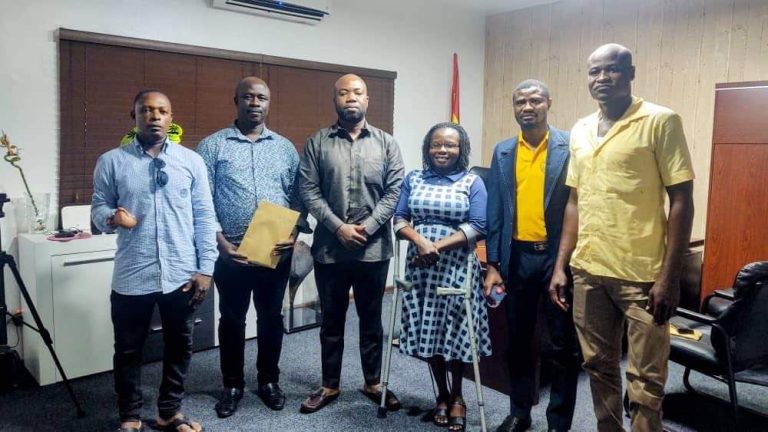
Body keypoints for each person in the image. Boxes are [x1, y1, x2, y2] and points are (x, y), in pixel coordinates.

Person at [549, 44, 694, 432]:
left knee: (646, 380)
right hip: (588, 271)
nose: (601, 78)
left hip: (642, 276)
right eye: (594, 71)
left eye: (611, 70)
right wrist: (562, 265)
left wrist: (669, 277)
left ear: (631, 73)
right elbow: (575, 201)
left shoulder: (660, 121)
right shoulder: (579, 129)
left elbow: (682, 199)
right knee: (598, 367)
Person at [92, 89, 218, 432]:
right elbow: (98, 208)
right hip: (133, 273)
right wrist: (112, 217)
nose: (154, 116)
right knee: (129, 350)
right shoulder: (111, 161)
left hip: (181, 273)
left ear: (171, 117)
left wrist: (206, 268)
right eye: (146, 110)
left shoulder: (191, 162)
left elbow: (205, 217)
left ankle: (168, 412)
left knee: (180, 346)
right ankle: (130, 417)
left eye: (162, 110)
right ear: (133, 117)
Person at [298, 73, 405, 414]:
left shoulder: (387, 143)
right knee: (331, 319)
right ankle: (329, 385)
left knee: (372, 318)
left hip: (373, 250)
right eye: (343, 93)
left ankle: (373, 382)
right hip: (331, 248)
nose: (350, 98)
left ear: (367, 99)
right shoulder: (318, 142)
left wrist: (370, 226)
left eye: (357, 92)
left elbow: (395, 190)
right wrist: (339, 227)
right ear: (335, 101)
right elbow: (308, 191)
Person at [197, 76, 301, 417]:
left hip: (275, 250)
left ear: (269, 103)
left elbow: (297, 196)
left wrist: (295, 233)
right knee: (232, 319)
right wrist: (220, 243)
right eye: (248, 97)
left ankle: (269, 380)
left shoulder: (285, 148)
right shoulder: (213, 146)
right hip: (232, 251)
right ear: (236, 100)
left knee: (272, 317)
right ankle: (232, 383)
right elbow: (201, 202)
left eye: (261, 98)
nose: (255, 103)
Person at [484, 80, 580, 432]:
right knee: (518, 341)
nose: (527, 106)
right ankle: (520, 412)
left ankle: (559, 422)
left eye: (535, 100)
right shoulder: (503, 151)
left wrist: (564, 264)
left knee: (562, 345)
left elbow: (579, 205)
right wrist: (493, 264)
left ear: (548, 103)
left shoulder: (570, 145)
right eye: (520, 101)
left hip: (557, 260)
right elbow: (495, 210)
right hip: (517, 259)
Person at [393, 122, 491, 432]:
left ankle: (459, 396)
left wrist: (437, 245)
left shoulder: (473, 182)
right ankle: (442, 393)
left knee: (458, 328)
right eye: (436, 144)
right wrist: (421, 243)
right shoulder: (414, 178)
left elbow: (478, 226)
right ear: (427, 148)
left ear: (461, 150)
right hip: (421, 266)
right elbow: (399, 219)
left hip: (458, 265)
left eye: (450, 145)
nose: (442, 150)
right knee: (430, 327)